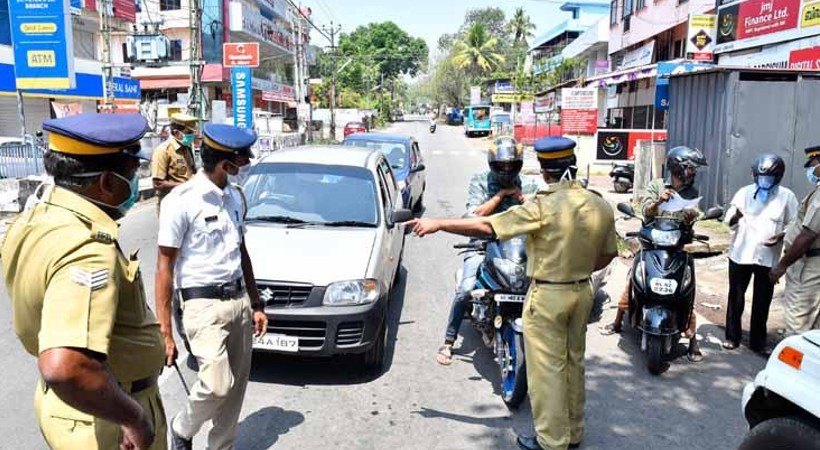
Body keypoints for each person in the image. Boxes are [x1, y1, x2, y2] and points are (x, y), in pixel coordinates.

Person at [410, 137, 617, 450]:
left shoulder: (543, 205)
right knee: (573, 363)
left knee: (546, 372)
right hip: (582, 292)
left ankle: (552, 441)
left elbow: (488, 227)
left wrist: (437, 223)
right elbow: (607, 255)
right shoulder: (599, 203)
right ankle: (573, 432)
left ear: (543, 171)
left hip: (549, 295)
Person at [1, 113, 166, 449]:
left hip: (73, 408)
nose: (135, 184)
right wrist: (132, 418)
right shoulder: (87, 248)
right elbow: (65, 367)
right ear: (106, 183)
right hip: (106, 417)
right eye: (132, 174)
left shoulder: (38, 218)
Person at [156, 123, 268, 450]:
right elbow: (164, 267)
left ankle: (221, 447)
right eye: (242, 160)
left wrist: (256, 303)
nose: (246, 165)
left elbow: (241, 252)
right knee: (217, 385)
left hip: (239, 302)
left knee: (235, 390)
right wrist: (165, 331)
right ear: (225, 164)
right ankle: (182, 428)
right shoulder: (182, 200)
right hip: (201, 306)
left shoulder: (235, 197)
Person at [436, 136, 540, 365]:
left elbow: (540, 212)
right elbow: (474, 215)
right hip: (482, 244)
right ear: (492, 164)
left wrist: (520, 197)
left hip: (518, 248)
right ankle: (449, 341)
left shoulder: (529, 184)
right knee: (466, 289)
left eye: (511, 165)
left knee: (541, 288)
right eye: (501, 165)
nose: (506, 170)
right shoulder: (480, 181)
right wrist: (500, 196)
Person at [600, 146, 707, 362]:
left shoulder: (692, 192)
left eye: (694, 169)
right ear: (678, 167)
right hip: (652, 245)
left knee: (686, 291)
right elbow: (645, 211)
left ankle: (692, 339)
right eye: (690, 168)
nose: (693, 172)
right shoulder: (656, 185)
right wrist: (659, 201)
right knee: (633, 283)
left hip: (677, 247)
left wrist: (691, 217)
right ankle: (618, 321)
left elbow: (696, 214)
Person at [723, 154, 798, 353]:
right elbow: (728, 220)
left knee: (762, 301)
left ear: (778, 177)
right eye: (762, 177)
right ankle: (732, 336)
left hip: (767, 256)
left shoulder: (787, 197)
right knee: (736, 297)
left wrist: (781, 235)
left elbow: (794, 224)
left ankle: (758, 341)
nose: (765, 181)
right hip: (741, 254)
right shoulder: (744, 193)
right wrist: (736, 217)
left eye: (769, 178)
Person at [770, 146, 820, 334]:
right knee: (814, 329)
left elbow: (809, 234)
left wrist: (781, 266)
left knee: (797, 325)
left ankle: (793, 354)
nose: (811, 170)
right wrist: (786, 234)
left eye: (813, 164)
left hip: (809, 267)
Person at [151, 113, 198, 208]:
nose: (192, 136)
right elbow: (158, 184)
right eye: (188, 133)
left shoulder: (187, 149)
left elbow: (192, 172)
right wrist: (186, 185)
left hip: (189, 202)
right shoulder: (163, 150)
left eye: (192, 133)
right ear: (176, 133)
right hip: (170, 204)